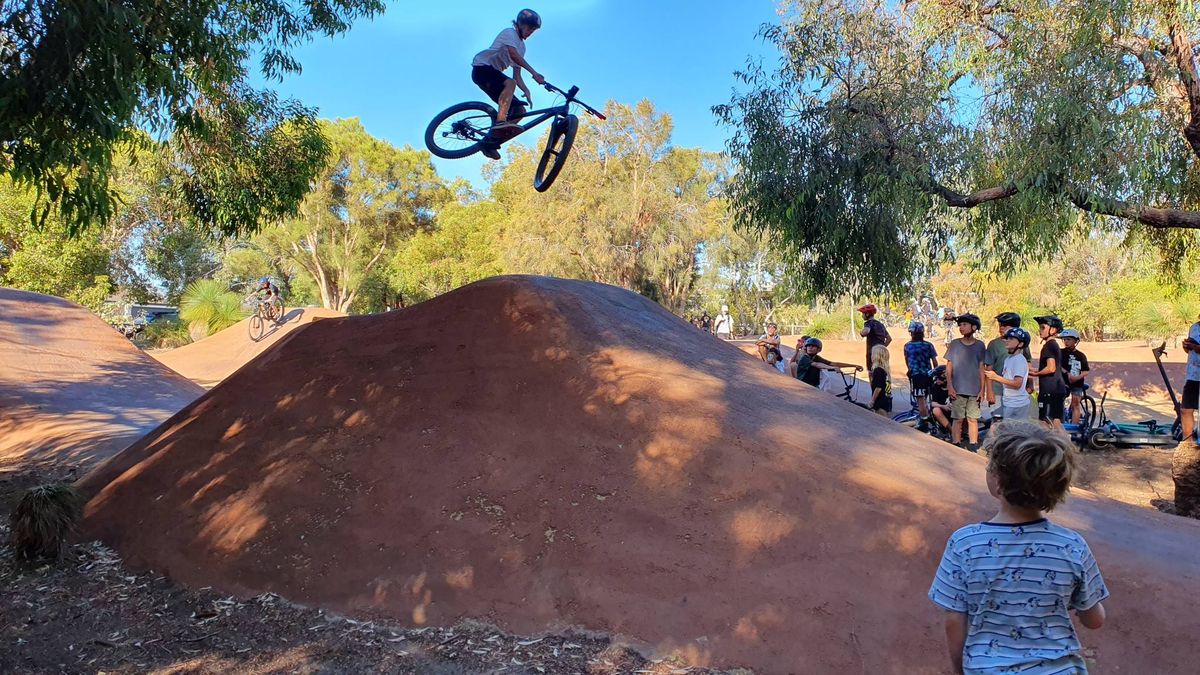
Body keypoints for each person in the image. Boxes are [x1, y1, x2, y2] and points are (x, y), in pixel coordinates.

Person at [929, 422, 1108, 675]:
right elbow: (1094, 620)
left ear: (998, 481)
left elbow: (954, 620)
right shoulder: (1071, 546)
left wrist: (960, 671)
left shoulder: (965, 544)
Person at [470, 9, 546, 160]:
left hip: (493, 76)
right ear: (520, 24)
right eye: (530, 28)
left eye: (533, 30)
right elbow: (513, 55)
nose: (531, 32)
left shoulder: (522, 47)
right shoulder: (509, 33)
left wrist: (526, 90)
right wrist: (534, 72)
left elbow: (516, 75)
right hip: (481, 68)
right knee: (509, 83)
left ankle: (489, 142)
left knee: (520, 110)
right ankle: (500, 122)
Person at [944, 313, 987, 452]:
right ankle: (956, 444)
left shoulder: (980, 345)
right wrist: (950, 386)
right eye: (960, 325)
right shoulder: (955, 344)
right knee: (957, 418)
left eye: (964, 325)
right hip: (958, 389)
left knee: (973, 419)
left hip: (974, 390)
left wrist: (982, 389)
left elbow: (982, 367)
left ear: (974, 327)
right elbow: (949, 366)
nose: (961, 328)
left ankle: (973, 445)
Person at [984, 312, 1032, 423]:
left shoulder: (1021, 352)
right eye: (1000, 325)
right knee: (997, 419)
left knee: (1012, 425)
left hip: (1015, 397)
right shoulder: (995, 345)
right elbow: (989, 369)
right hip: (999, 390)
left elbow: (1026, 367)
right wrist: (989, 391)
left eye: (1005, 325)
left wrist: (1030, 383)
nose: (1001, 328)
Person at [1176, 316, 1200, 518]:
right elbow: (1189, 351)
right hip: (1192, 375)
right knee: (1186, 409)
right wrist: (1188, 347)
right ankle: (1188, 442)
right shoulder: (1194, 327)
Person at [1032, 315, 1068, 430]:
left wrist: (1037, 374)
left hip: (1050, 390)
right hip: (1057, 390)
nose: (1040, 330)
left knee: (1045, 423)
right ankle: (1066, 446)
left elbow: (1051, 368)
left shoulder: (1049, 346)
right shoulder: (1054, 345)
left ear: (1052, 330)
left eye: (1043, 327)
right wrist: (1037, 371)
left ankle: (1051, 446)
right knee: (1056, 422)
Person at [903, 321, 939, 430]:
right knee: (927, 397)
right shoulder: (928, 345)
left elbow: (907, 361)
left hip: (916, 376)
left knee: (920, 400)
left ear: (912, 333)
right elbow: (935, 362)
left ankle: (924, 421)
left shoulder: (907, 346)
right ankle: (929, 417)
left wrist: (910, 370)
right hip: (928, 375)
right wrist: (934, 373)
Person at [794, 337, 860, 389]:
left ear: (819, 350)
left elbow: (832, 363)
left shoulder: (816, 357)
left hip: (813, 385)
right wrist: (832, 368)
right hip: (803, 384)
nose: (810, 348)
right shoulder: (804, 357)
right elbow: (816, 364)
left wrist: (854, 365)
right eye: (808, 346)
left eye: (813, 346)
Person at [1060, 329, 1091, 425]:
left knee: (1075, 404)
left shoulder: (1081, 356)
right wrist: (1067, 373)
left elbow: (1086, 371)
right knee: (1059, 403)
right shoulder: (1060, 352)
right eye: (1064, 339)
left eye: (1069, 339)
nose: (1066, 342)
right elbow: (1057, 365)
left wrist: (1077, 378)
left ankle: (1074, 429)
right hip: (1063, 382)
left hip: (1077, 383)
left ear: (1075, 341)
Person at [858, 303, 892, 372]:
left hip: (872, 352)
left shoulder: (868, 323)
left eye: (863, 314)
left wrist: (861, 332)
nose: (862, 316)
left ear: (867, 314)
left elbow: (866, 331)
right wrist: (882, 347)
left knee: (872, 372)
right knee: (883, 372)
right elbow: (889, 339)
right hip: (883, 351)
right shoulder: (880, 324)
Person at [869, 344, 893, 415]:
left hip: (880, 403)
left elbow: (878, 388)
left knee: (883, 423)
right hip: (886, 400)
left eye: (872, 354)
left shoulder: (878, 370)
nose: (871, 356)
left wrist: (872, 401)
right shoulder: (885, 370)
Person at [929, 365, 953, 431]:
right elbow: (932, 403)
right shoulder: (936, 387)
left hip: (955, 411)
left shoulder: (954, 386)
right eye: (936, 378)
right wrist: (943, 406)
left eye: (939, 379)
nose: (937, 381)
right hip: (943, 411)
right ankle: (951, 430)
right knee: (936, 410)